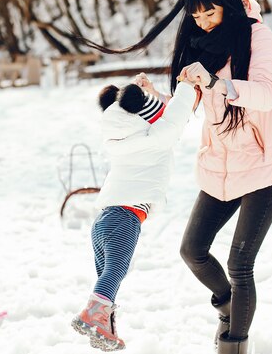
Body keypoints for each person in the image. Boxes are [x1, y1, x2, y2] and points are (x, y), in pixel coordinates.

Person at [73, 0, 272, 354]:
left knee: (239, 264)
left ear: (228, 5)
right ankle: (230, 305)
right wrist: (153, 100)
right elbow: (185, 108)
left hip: (265, 163)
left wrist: (215, 82)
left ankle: (233, 343)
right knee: (192, 250)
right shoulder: (202, 47)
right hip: (221, 165)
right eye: (196, 17)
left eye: (209, 13)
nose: (202, 22)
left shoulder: (257, 36)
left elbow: (267, 95)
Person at [71, 80, 196, 351]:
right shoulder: (154, 140)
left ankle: (106, 329)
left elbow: (155, 115)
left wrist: (145, 93)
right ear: (145, 117)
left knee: (108, 279)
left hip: (103, 220)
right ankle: (93, 315)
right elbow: (174, 117)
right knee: (116, 271)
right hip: (125, 218)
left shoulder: (116, 141)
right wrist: (186, 86)